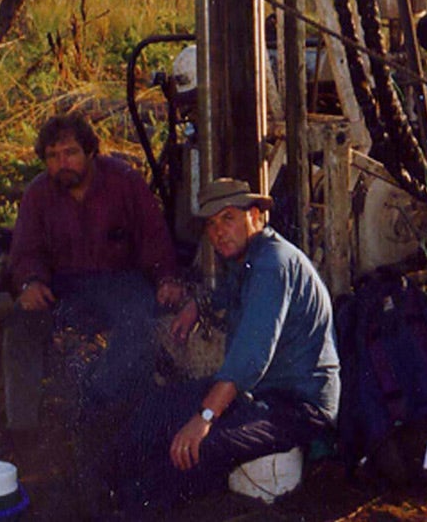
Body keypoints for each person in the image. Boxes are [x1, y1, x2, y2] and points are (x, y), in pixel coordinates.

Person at [111, 178, 340, 515]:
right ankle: (117, 494)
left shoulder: (272, 265)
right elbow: (228, 295)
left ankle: (145, 508)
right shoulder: (251, 258)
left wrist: (204, 417)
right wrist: (196, 306)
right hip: (261, 396)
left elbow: (251, 356)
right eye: (211, 224)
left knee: (201, 448)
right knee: (156, 409)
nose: (218, 232)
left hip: (298, 406)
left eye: (228, 218)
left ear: (257, 216)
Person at [4, 112, 184, 431]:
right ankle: (23, 429)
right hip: (64, 284)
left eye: (70, 153)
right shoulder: (38, 193)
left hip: (119, 281)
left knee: (140, 321)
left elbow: (153, 237)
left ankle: (102, 406)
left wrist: (166, 277)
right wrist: (30, 282)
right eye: (53, 157)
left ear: (89, 152)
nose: (63, 163)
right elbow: (25, 249)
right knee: (21, 323)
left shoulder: (123, 181)